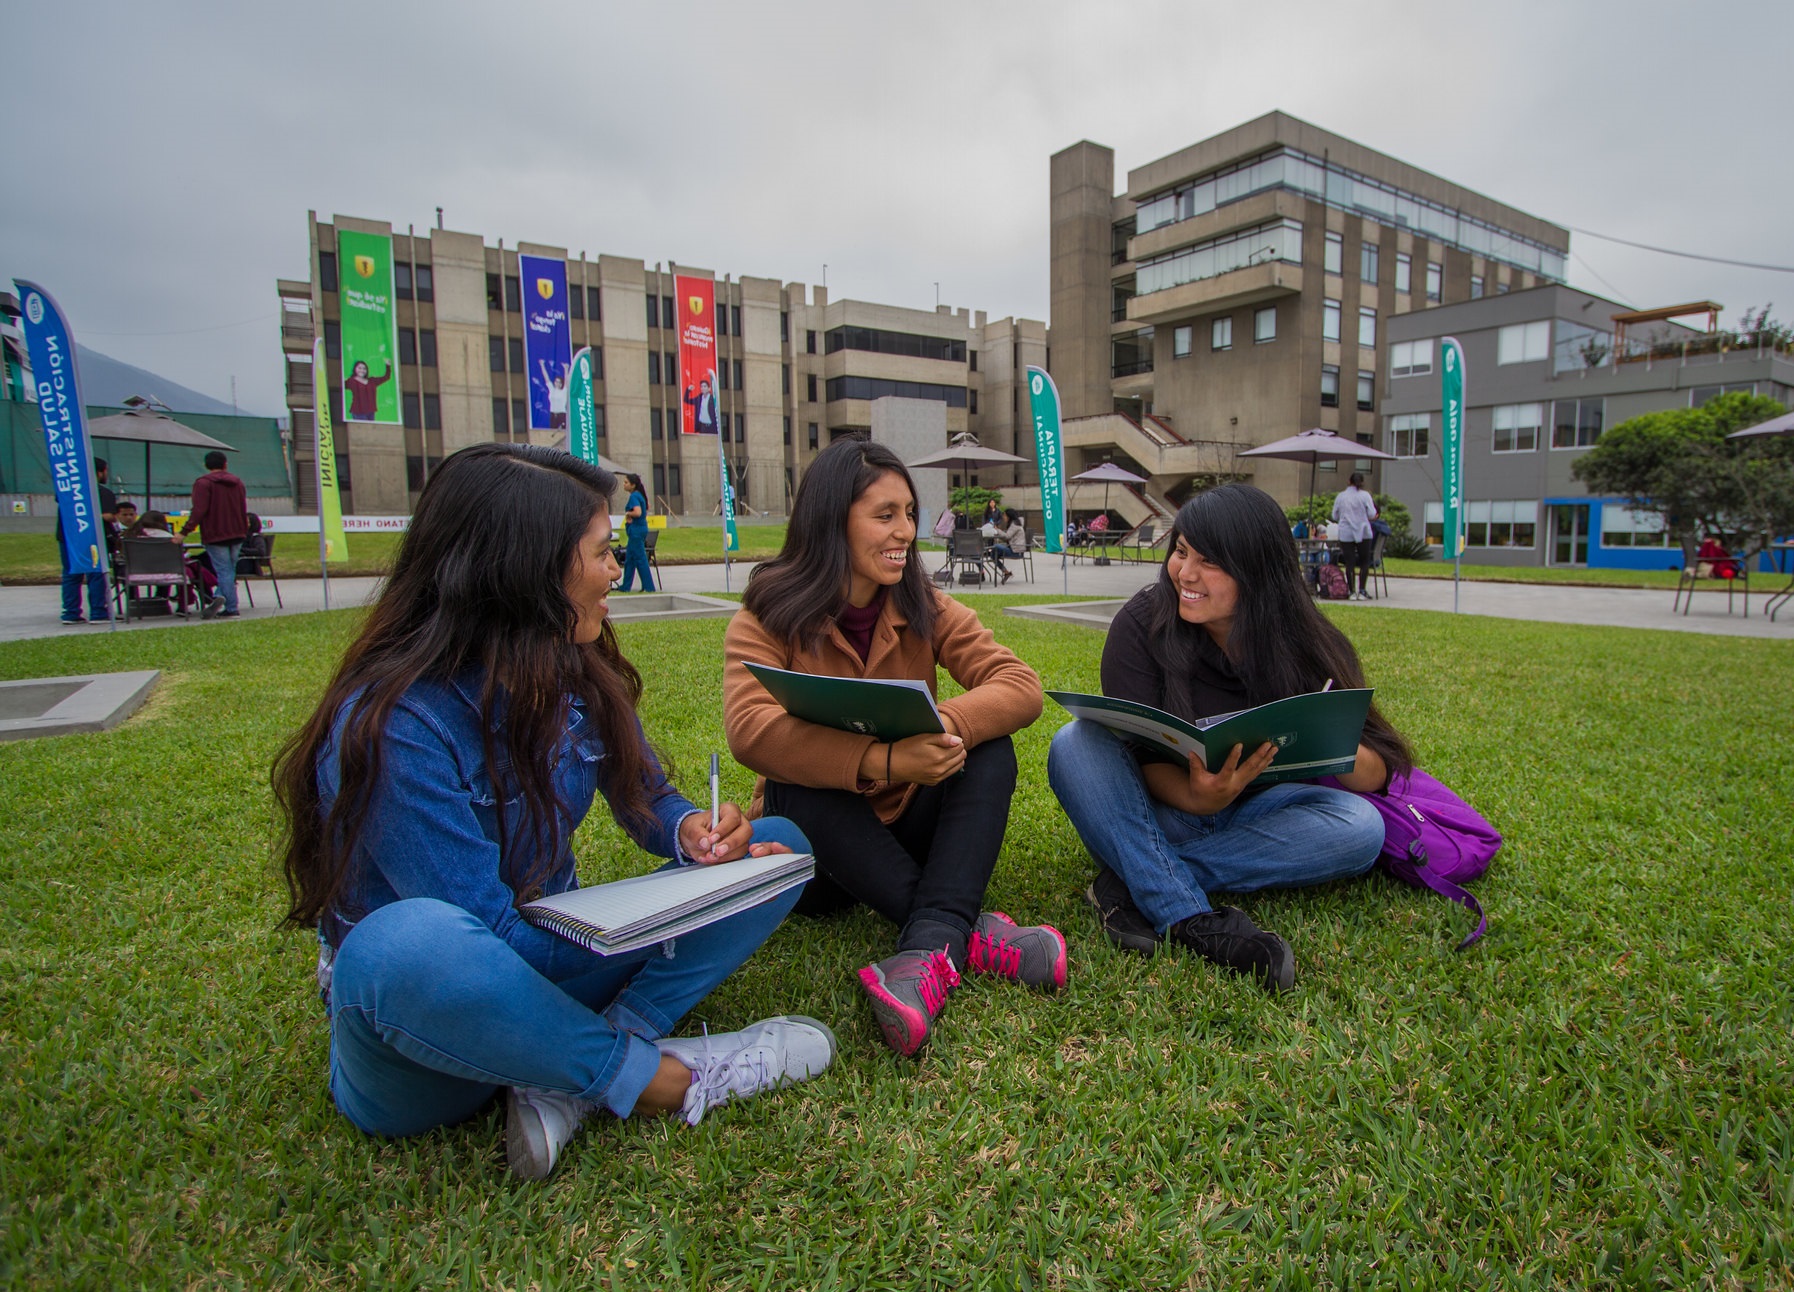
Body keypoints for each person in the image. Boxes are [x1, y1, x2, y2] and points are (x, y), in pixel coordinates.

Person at [272, 443, 835, 1181]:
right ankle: (659, 1076)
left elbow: (645, 798)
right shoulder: (392, 726)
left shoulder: (571, 668)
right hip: (444, 1016)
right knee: (403, 945)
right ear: (524, 570)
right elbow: (489, 943)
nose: (616, 569)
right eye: (602, 552)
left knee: (779, 848)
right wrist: (658, 926)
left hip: (550, 951)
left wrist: (694, 835)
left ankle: (566, 1078)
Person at [723, 437, 1064, 1058]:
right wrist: (882, 759)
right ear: (832, 522)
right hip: (821, 855)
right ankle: (957, 930)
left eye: (909, 513)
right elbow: (750, 728)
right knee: (792, 781)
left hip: (910, 821)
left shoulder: (924, 604)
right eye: (885, 515)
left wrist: (938, 729)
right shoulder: (767, 614)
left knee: (986, 748)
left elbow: (1020, 686)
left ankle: (926, 949)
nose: (905, 530)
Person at [1047, 483, 1408, 994]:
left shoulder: (1309, 642)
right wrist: (1197, 794)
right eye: (1181, 551)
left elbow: (1376, 775)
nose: (1185, 573)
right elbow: (1138, 758)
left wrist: (1327, 732)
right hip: (1159, 818)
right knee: (1074, 743)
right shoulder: (1140, 626)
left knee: (1360, 827)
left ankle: (1136, 883)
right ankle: (1192, 919)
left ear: (1258, 570)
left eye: (1210, 561)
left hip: (1260, 815)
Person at [180, 451, 250, 618]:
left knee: (223, 570)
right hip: (238, 531)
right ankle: (221, 594)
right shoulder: (237, 483)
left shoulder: (203, 484)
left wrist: (185, 531)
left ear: (205, 465)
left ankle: (231, 607)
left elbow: (199, 510)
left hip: (215, 533)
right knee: (229, 570)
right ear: (225, 464)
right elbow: (243, 506)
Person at [58, 457, 117, 625]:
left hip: (68, 537)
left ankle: (70, 612)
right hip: (93, 539)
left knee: (71, 574)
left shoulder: (67, 490)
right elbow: (109, 515)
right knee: (96, 573)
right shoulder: (103, 493)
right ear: (100, 472)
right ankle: (98, 612)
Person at [1332, 473, 1379, 601]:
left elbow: (1334, 515)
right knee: (1364, 561)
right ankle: (1362, 590)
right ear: (1362, 482)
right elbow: (1372, 513)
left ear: (1348, 481)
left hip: (1346, 531)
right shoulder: (1365, 496)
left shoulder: (1341, 496)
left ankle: (1352, 591)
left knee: (1349, 562)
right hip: (1363, 531)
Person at [617, 472, 655, 592]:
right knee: (630, 559)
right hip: (640, 529)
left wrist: (628, 513)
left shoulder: (634, 496)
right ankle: (626, 586)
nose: (624, 484)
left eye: (626, 482)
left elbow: (637, 512)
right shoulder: (640, 495)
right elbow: (647, 506)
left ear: (633, 485)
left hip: (636, 531)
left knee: (640, 558)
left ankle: (649, 587)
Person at [989, 508, 1025, 584]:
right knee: (993, 553)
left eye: (1004, 515)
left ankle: (1006, 572)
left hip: (1016, 552)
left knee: (995, 547)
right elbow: (1008, 539)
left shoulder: (1015, 525)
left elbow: (1007, 536)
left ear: (1009, 516)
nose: (1003, 517)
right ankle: (1006, 572)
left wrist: (997, 530)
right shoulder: (1015, 523)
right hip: (1014, 549)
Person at [539, 359, 568, 431]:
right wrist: (542, 365)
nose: (557, 383)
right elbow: (546, 378)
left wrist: (566, 369)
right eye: (556, 381)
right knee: (552, 431)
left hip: (562, 414)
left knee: (563, 432)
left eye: (559, 382)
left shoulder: (564, 391)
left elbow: (567, 380)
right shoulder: (552, 389)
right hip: (553, 414)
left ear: (561, 384)